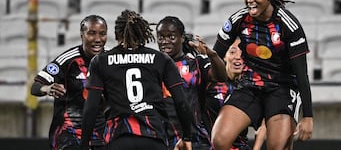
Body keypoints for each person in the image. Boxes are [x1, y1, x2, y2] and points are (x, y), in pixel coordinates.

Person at [211, 0, 313, 150]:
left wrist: (308, 116)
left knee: (277, 147)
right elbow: (215, 55)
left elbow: (301, 75)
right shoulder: (238, 19)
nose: (250, 0)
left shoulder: (288, 24)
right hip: (250, 86)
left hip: (281, 89)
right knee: (220, 140)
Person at [80, 10, 193, 150]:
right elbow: (182, 102)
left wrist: (84, 145)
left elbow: (91, 108)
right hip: (153, 138)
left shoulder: (100, 61)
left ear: (116, 34)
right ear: (142, 33)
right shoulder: (161, 59)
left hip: (118, 139)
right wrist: (187, 137)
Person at [31, 15, 108, 150]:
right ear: (82, 35)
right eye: (92, 33)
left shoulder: (110, 60)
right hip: (69, 134)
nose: (98, 39)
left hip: (101, 135)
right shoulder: (68, 60)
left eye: (102, 34)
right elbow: (35, 87)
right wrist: (47, 89)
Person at [156, 16, 227, 150]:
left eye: (171, 37)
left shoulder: (196, 63)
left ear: (182, 38)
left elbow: (221, 77)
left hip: (195, 139)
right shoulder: (154, 66)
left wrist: (213, 56)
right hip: (163, 139)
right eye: (161, 37)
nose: (165, 42)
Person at [204, 38, 266, 150]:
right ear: (224, 56)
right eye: (232, 52)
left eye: (242, 53)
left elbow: (263, 124)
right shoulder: (210, 82)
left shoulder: (251, 89)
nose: (238, 57)